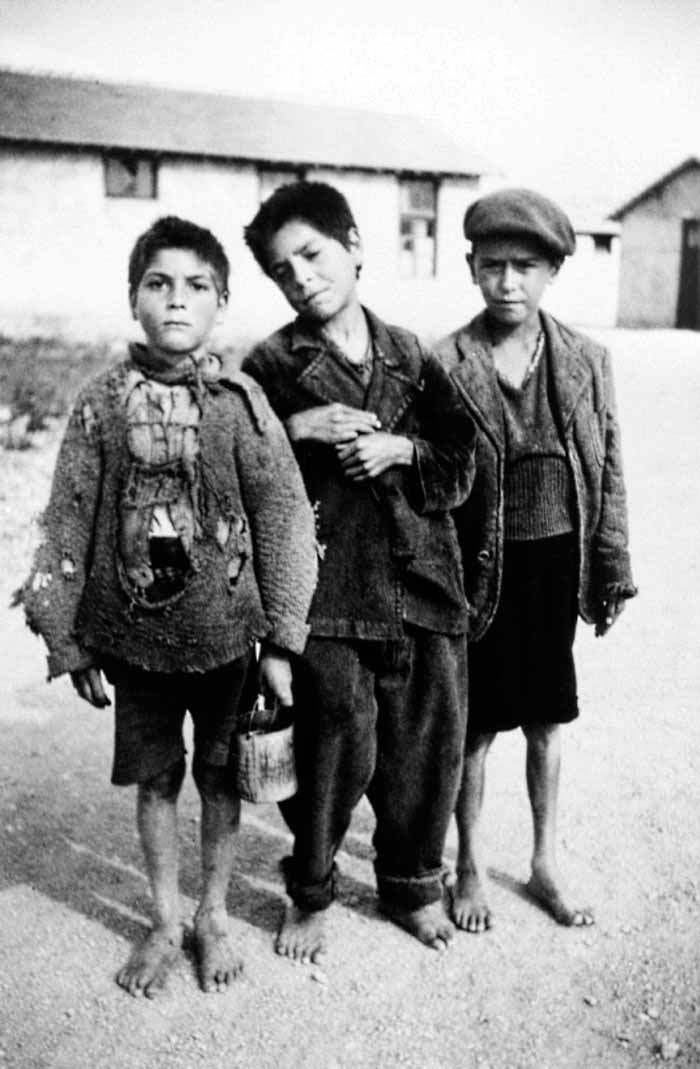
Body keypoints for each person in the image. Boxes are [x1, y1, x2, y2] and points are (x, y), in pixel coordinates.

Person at [18, 216, 317, 997]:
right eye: (158, 284)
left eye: (195, 287)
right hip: (137, 639)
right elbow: (69, 515)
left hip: (225, 638)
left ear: (221, 302)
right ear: (132, 299)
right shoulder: (102, 404)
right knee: (156, 781)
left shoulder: (242, 404)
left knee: (221, 782)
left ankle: (212, 913)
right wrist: (69, 639)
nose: (176, 301)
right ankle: (161, 916)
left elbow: (285, 517)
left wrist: (282, 644)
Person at [241, 180, 476, 962]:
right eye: (282, 270)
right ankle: (310, 892)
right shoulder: (270, 365)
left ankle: (412, 887)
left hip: (421, 585)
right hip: (330, 592)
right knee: (331, 749)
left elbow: (463, 460)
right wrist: (297, 427)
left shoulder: (411, 354)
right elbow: (236, 469)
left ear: (356, 247)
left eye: (312, 254)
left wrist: (402, 448)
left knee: (426, 745)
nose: (301, 276)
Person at [437, 188, 637, 933]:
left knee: (549, 719)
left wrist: (612, 565)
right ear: (472, 268)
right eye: (493, 266)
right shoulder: (445, 361)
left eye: (525, 266)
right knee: (476, 727)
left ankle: (546, 859)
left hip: (556, 561)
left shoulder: (588, 359)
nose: (508, 282)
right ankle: (468, 864)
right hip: (478, 569)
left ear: (553, 270)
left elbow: (608, 466)